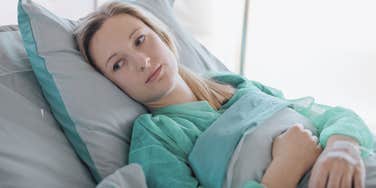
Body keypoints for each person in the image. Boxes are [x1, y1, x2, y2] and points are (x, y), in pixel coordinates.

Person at [74, 1, 373, 188]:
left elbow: (328, 115)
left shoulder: (232, 84)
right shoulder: (155, 138)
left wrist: (342, 147)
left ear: (163, 36)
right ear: (111, 84)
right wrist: (286, 167)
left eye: (140, 40)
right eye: (118, 64)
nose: (142, 62)